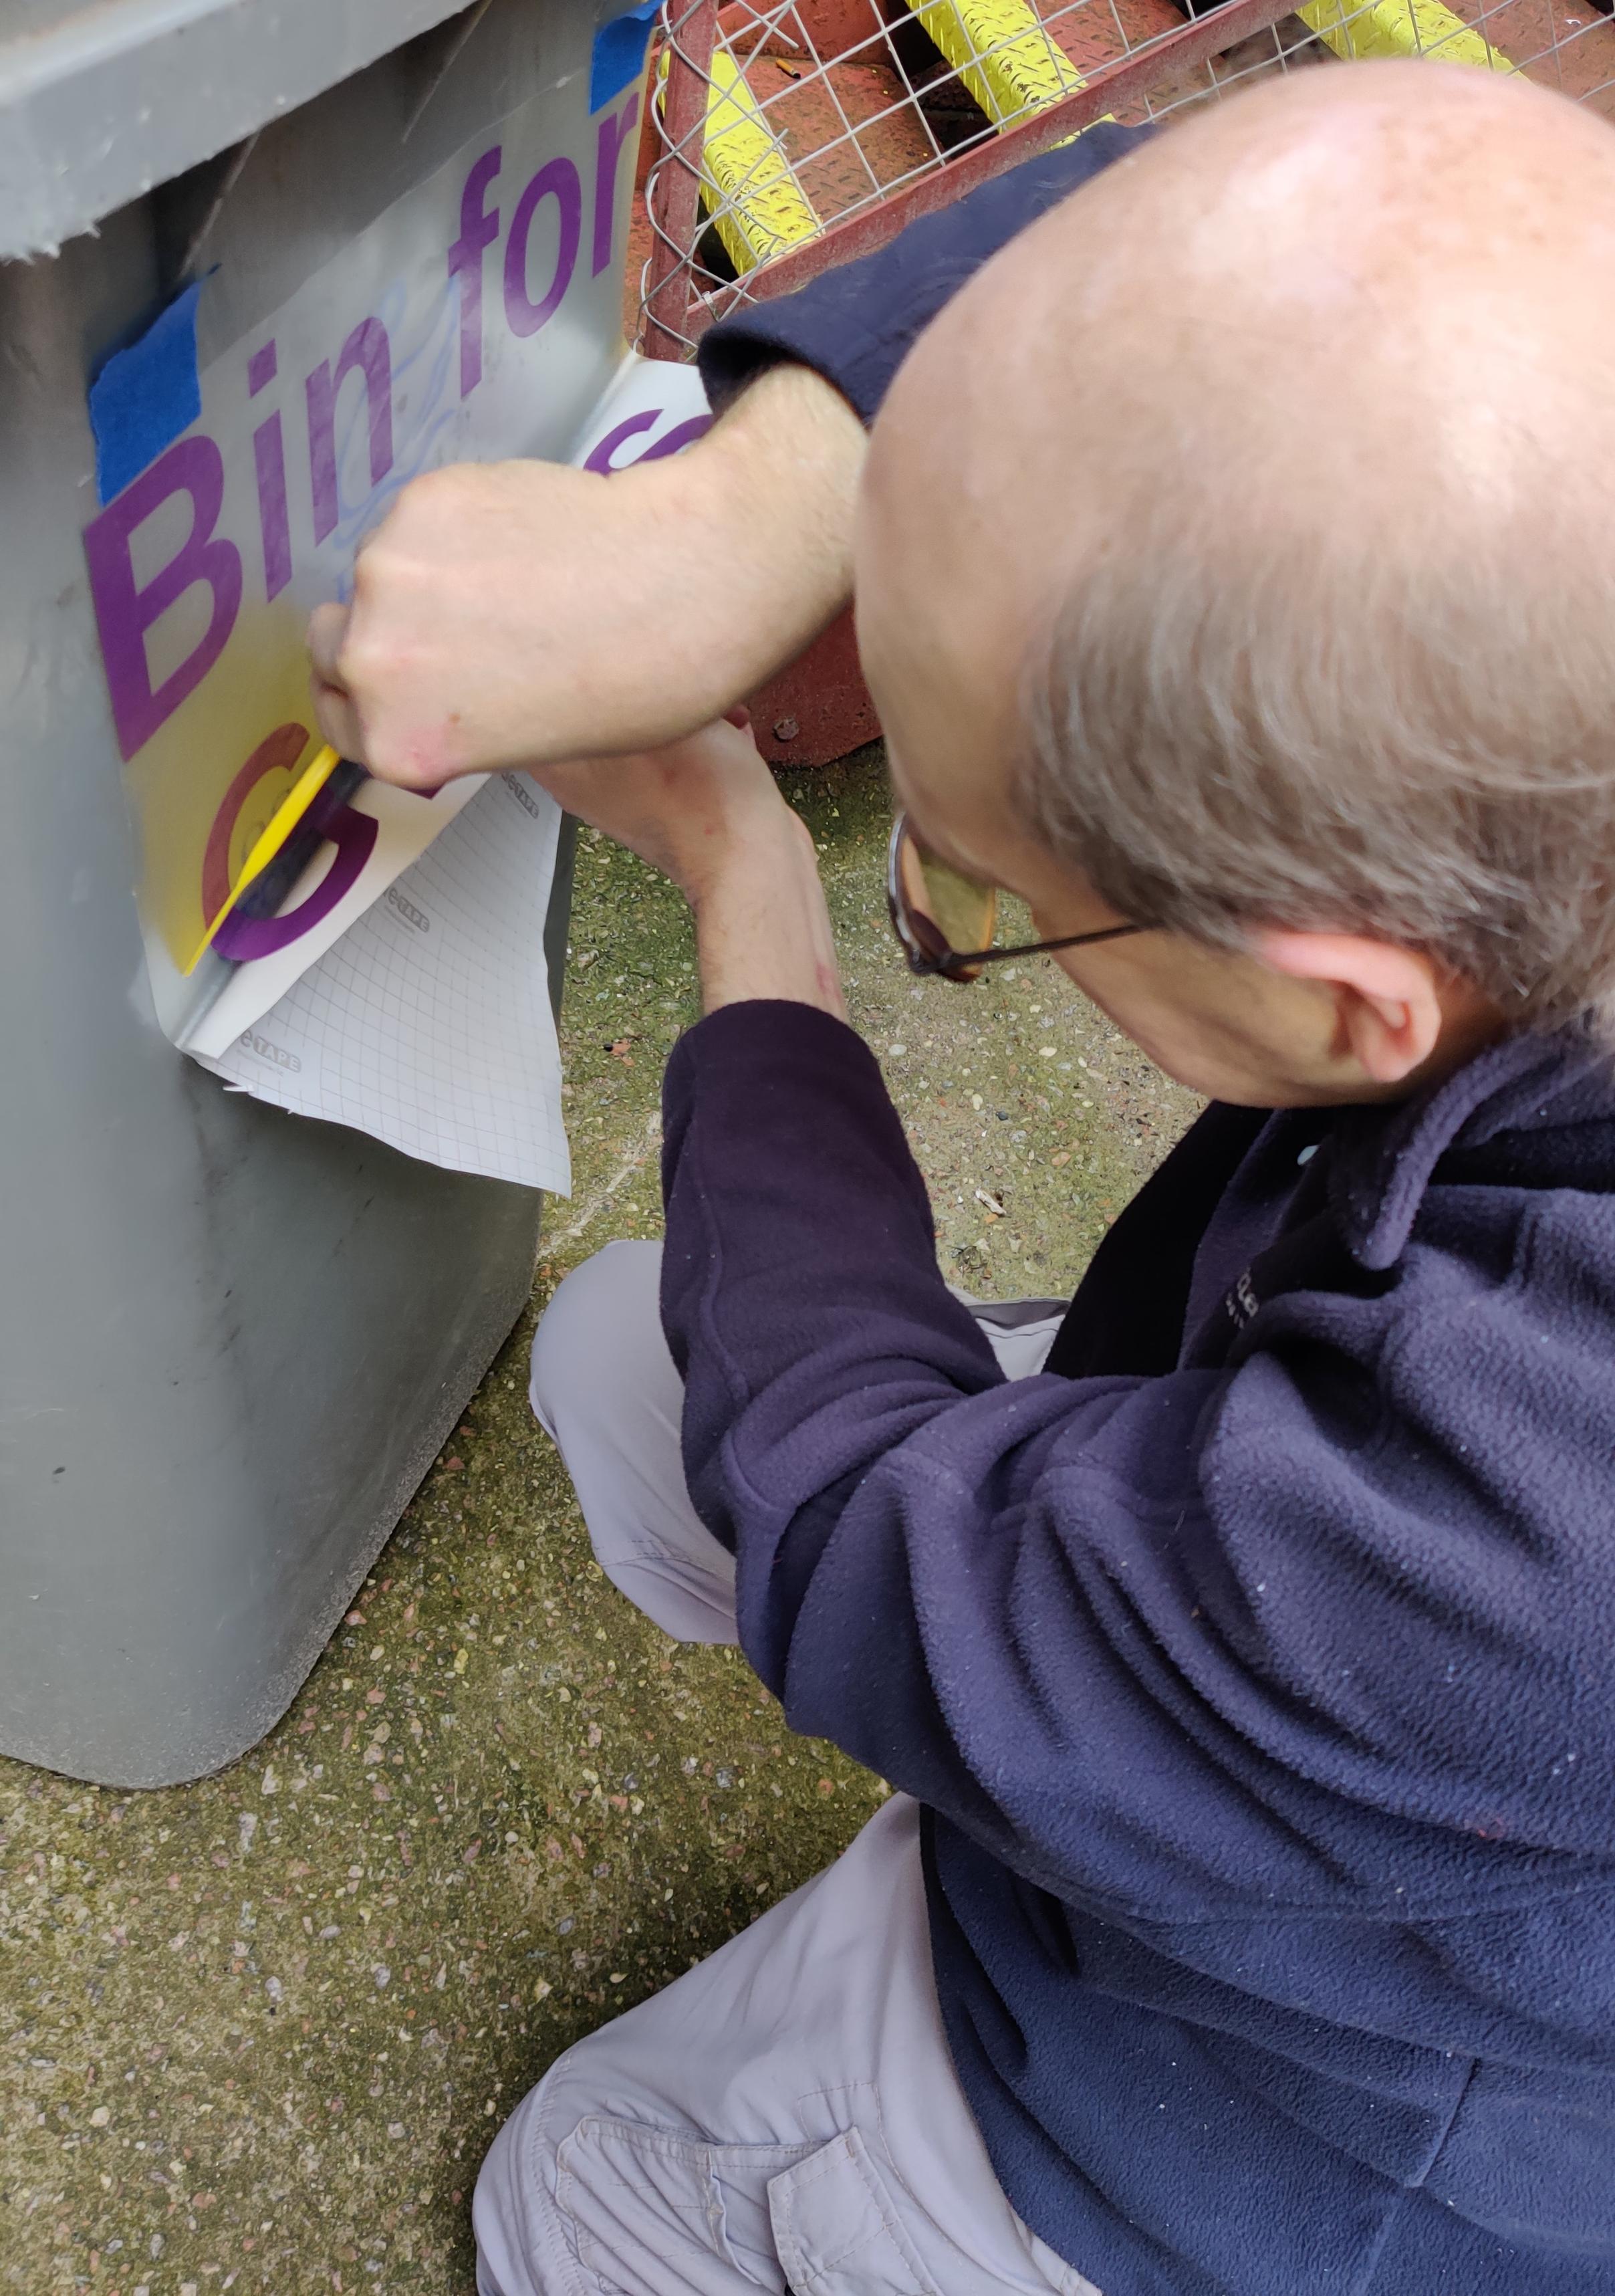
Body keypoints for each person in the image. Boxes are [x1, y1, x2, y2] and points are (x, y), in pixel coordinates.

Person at [312, 60, 1615, 2296]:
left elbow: (880, 1548)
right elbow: (1224, 262)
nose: (937, 894)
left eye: (972, 897)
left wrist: (746, 871)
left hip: (1278, 2135)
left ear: (1343, 1007)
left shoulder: (1514, 1526)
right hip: (1350, 1659)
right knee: (645, 1362)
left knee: (571, 2193)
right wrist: (721, 538)